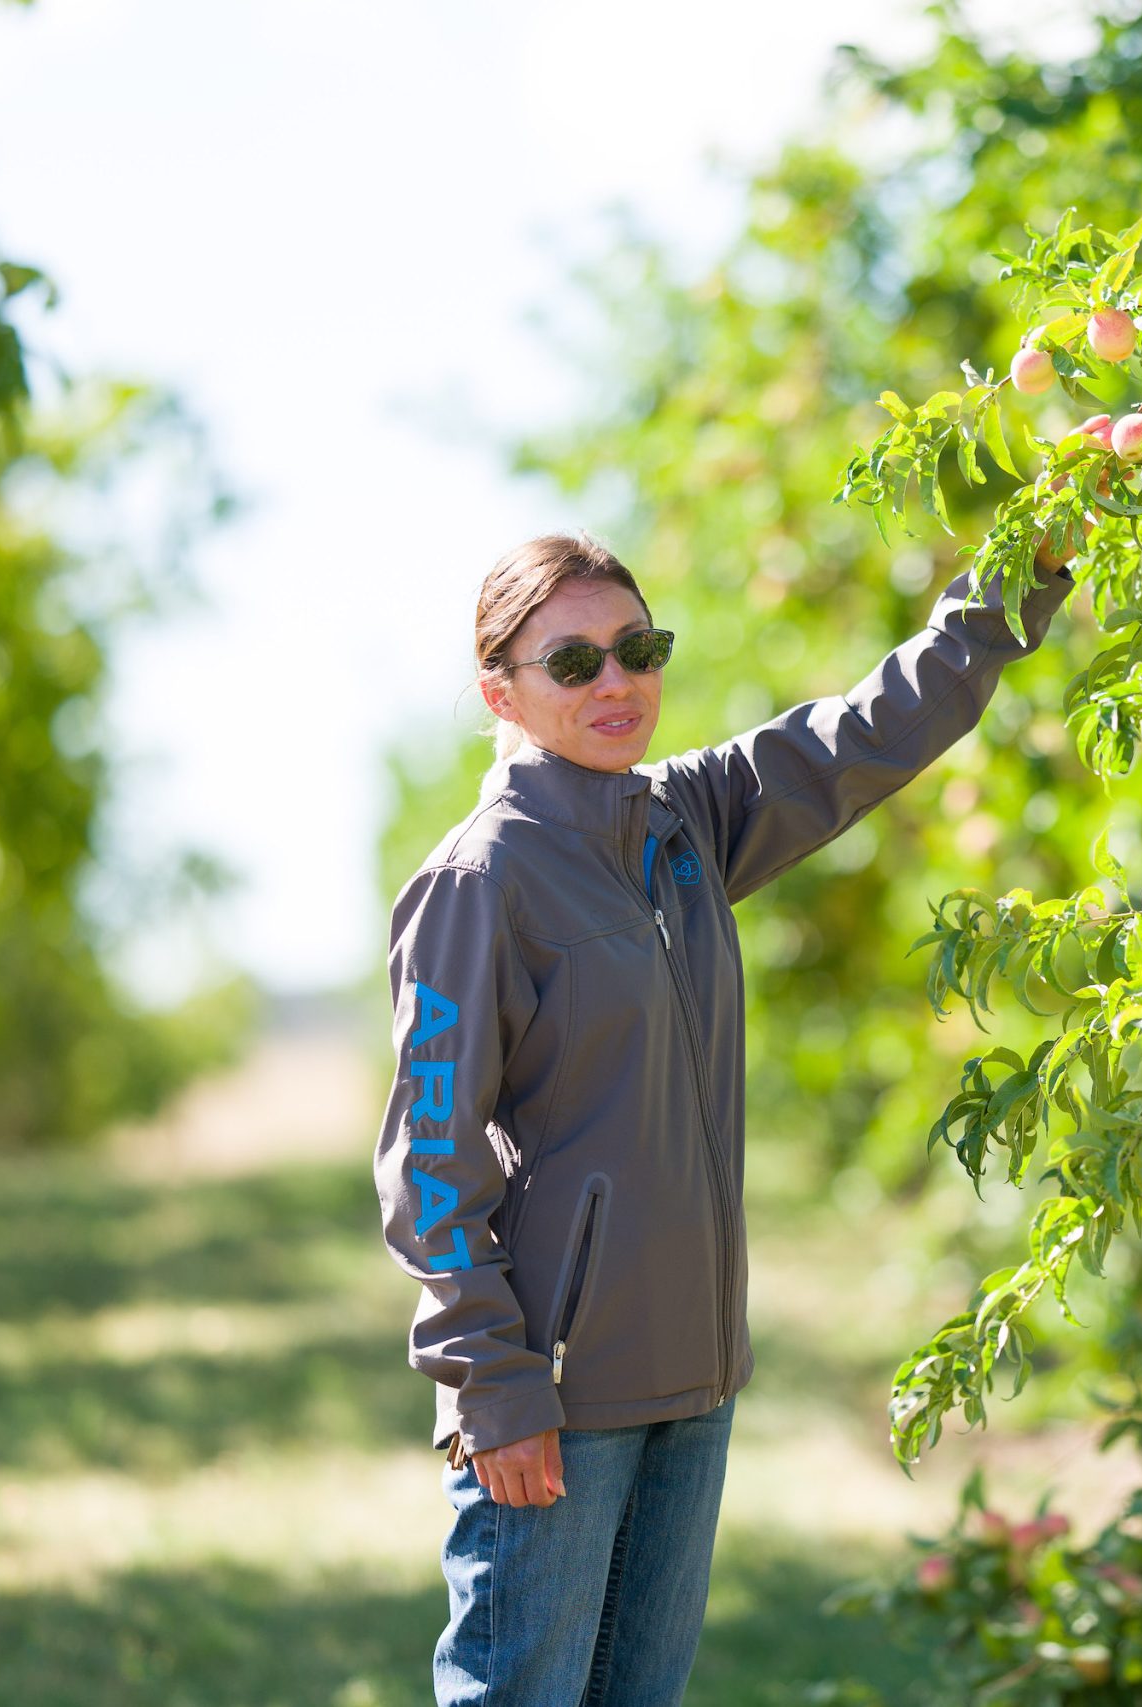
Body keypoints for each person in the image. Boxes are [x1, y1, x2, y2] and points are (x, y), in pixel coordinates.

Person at [372, 528, 1076, 1706]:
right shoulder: (479, 881)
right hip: (555, 1391)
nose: (618, 683)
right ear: (500, 690)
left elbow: (866, 730)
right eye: (576, 662)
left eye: (638, 650)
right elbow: (427, 1166)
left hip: (693, 1380)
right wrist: (492, 1390)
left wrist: (1022, 572)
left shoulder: (683, 822)